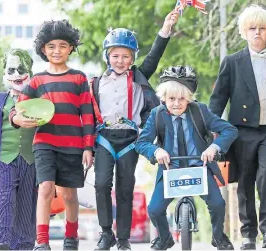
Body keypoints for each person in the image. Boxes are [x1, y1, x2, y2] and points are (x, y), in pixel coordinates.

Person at [90, 9, 179, 251]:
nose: (120, 61)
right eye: (115, 55)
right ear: (107, 56)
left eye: (126, 56)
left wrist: (166, 28)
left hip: (130, 139)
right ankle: (106, 233)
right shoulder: (96, 83)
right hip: (104, 139)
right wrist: (87, 148)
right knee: (101, 184)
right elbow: (88, 117)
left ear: (133, 58)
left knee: (125, 188)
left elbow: (154, 56)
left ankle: (123, 239)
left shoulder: (139, 75)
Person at [209, 5, 266, 249]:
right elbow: (218, 98)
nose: (257, 32)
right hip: (242, 130)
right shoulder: (232, 62)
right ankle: (248, 235)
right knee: (245, 179)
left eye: (262, 28)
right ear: (244, 32)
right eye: (252, 28)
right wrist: (215, 129)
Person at [9, 20, 94, 250]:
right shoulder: (37, 80)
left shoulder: (79, 78)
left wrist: (88, 147)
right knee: (45, 188)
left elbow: (87, 115)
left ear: (71, 48)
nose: (57, 50)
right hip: (44, 143)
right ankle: (42, 243)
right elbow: (17, 110)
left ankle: (71, 238)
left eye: (63, 45)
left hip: (73, 145)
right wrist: (16, 119)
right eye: (51, 46)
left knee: (69, 195)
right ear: (43, 50)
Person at [135, 66, 237, 250]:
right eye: (171, 99)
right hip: (170, 169)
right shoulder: (156, 115)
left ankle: (218, 236)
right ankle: (165, 238)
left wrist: (214, 147)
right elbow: (141, 143)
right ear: (163, 98)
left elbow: (229, 130)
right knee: (154, 209)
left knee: (218, 204)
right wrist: (156, 151)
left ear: (189, 98)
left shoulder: (200, 111)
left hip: (199, 167)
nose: (176, 103)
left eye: (182, 99)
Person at [0, 49, 37, 250]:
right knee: (7, 198)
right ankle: (3, 241)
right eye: (11, 69)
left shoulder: (37, 100)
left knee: (25, 202)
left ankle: (23, 244)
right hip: (6, 158)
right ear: (5, 72)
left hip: (29, 159)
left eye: (21, 69)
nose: (16, 74)